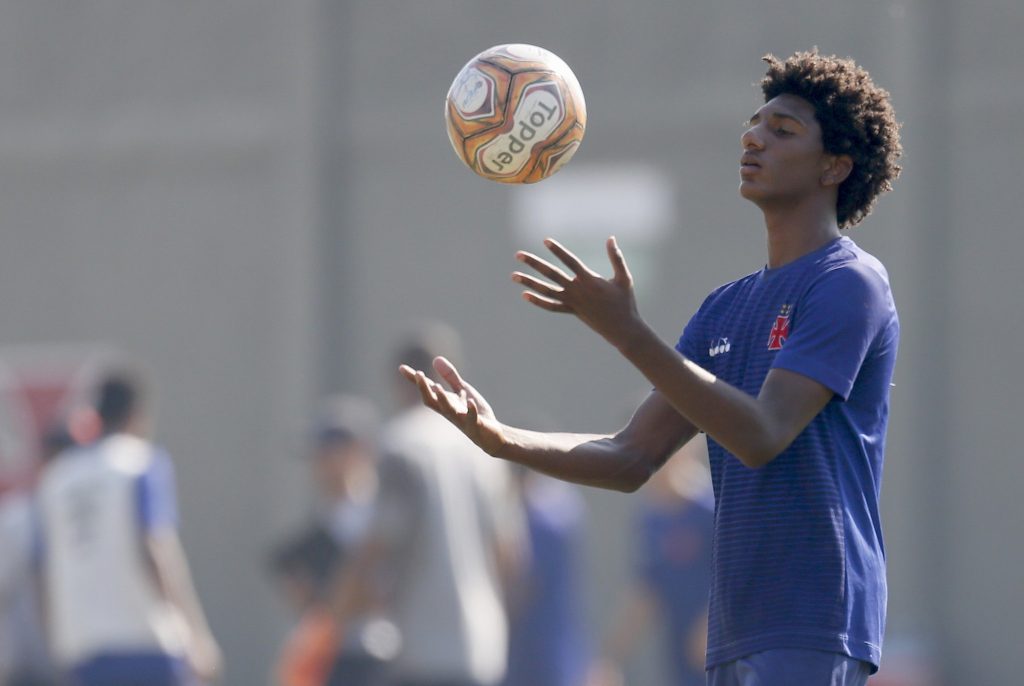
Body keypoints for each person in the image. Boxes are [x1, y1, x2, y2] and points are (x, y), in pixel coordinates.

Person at [400, 49, 902, 686]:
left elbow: (762, 433)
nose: (753, 138)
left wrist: (628, 333)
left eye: (782, 130)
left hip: (812, 619)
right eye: (754, 124)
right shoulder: (725, 307)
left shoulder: (849, 283)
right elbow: (630, 457)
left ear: (835, 166)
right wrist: (501, 441)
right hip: (736, 627)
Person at [334, 322, 523, 686]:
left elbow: (377, 545)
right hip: (483, 649)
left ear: (401, 381)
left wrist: (331, 620)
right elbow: (510, 557)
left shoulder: (402, 444)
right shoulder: (485, 449)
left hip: (421, 647)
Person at [36, 367, 222, 686]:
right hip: (145, 643)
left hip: (82, 650)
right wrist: (196, 634)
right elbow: (157, 549)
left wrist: (57, 643)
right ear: (136, 414)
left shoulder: (55, 479)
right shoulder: (139, 462)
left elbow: (42, 571)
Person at [269, 394, 390, 686]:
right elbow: (314, 609)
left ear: (356, 450)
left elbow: (384, 589)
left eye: (328, 451)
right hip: (335, 656)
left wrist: (339, 600)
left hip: (379, 652)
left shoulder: (379, 512)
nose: (319, 463)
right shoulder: (325, 517)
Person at [588, 436, 714, 686]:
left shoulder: (712, 509)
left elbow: (747, 577)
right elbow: (646, 594)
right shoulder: (651, 521)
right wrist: (610, 658)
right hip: (680, 656)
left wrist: (715, 623)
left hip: (721, 656)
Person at [503, 466, 590, 686]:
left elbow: (520, 580)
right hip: (557, 647)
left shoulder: (537, 523)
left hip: (534, 651)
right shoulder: (562, 510)